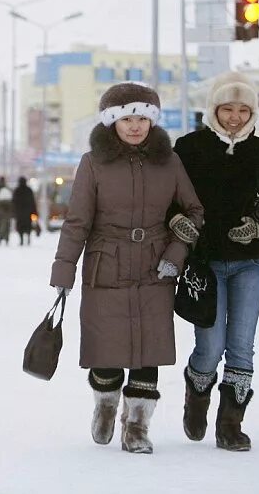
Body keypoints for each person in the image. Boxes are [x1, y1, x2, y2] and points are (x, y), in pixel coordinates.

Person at [49, 83, 204, 454]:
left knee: (149, 349)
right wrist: (63, 270)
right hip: (107, 264)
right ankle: (105, 403)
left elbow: (194, 212)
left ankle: (137, 426)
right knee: (107, 349)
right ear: (112, 122)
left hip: (156, 266)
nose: (135, 126)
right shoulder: (93, 163)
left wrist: (176, 253)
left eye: (142, 118)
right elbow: (77, 222)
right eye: (127, 118)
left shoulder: (170, 162)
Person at [173, 71, 259, 451]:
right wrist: (177, 222)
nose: (236, 117)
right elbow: (169, 196)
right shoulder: (189, 148)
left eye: (244, 110)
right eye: (228, 109)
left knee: (241, 345)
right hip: (205, 262)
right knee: (210, 346)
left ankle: (230, 425)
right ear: (214, 109)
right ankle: (197, 395)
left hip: (249, 263)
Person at [13, 177, 38, 246]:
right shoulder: (29, 190)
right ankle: (28, 238)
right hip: (28, 213)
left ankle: (21, 240)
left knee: (20, 227)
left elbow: (14, 202)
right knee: (28, 227)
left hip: (19, 213)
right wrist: (35, 212)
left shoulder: (17, 190)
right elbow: (33, 202)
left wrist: (14, 212)